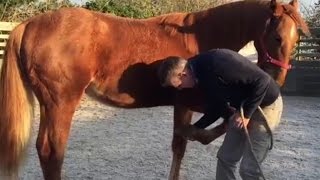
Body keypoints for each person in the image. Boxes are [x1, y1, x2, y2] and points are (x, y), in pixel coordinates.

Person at [158, 49, 283, 180]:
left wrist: (246, 114)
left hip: (266, 106)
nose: (180, 89)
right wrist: (195, 128)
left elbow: (263, 80)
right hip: (242, 109)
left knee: (249, 169)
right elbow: (217, 107)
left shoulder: (218, 62)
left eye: (178, 85)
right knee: (225, 159)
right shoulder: (201, 76)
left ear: (182, 75)